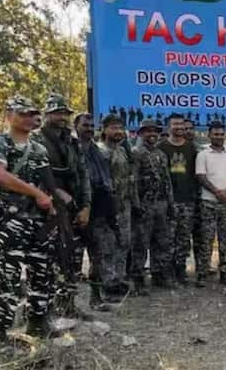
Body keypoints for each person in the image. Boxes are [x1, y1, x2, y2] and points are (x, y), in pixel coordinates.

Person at [0, 95, 58, 344]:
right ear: (9, 115)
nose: (29, 118)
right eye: (23, 113)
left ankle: (38, 323)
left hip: (38, 221)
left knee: (42, 272)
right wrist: (37, 194)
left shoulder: (39, 149)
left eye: (31, 114)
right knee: (8, 275)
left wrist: (53, 210)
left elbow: (48, 184)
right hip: (12, 219)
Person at [34, 93, 92, 320]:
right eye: (56, 113)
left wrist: (85, 205)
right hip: (49, 207)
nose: (61, 117)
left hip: (74, 205)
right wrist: (57, 196)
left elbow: (83, 174)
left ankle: (68, 305)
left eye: (64, 113)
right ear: (47, 114)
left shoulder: (72, 141)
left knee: (73, 257)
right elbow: (38, 174)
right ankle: (49, 309)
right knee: (53, 257)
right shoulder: (36, 141)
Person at [74, 113, 116, 309]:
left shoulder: (96, 151)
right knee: (73, 259)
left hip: (98, 212)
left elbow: (105, 179)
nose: (89, 128)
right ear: (76, 126)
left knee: (97, 256)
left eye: (92, 125)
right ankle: (68, 303)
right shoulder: (72, 148)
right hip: (77, 211)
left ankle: (96, 297)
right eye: (85, 125)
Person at [196, 121, 226, 286]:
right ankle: (202, 274)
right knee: (206, 240)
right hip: (208, 202)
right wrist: (217, 192)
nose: (219, 137)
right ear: (209, 135)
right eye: (215, 134)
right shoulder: (203, 154)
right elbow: (201, 176)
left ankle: (225, 273)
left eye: (221, 134)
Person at [132, 119, 175, 290]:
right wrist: (136, 205)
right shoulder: (136, 153)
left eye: (154, 131)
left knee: (161, 241)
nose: (152, 134)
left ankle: (159, 275)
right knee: (141, 244)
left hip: (161, 204)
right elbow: (133, 182)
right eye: (148, 131)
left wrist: (170, 203)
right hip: (144, 205)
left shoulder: (161, 154)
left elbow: (167, 180)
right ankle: (138, 279)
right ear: (141, 133)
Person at [97, 114, 136, 298]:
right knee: (107, 246)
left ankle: (119, 280)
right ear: (104, 130)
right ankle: (107, 285)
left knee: (124, 243)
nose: (118, 132)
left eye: (121, 128)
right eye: (114, 128)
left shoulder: (122, 150)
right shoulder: (100, 151)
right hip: (107, 208)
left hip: (124, 205)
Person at [158, 113, 198, 285]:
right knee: (167, 238)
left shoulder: (191, 148)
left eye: (181, 124)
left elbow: (195, 175)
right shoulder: (161, 148)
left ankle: (180, 271)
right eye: (175, 124)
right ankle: (165, 273)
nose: (179, 127)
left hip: (187, 200)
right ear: (169, 126)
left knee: (183, 238)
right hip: (168, 201)